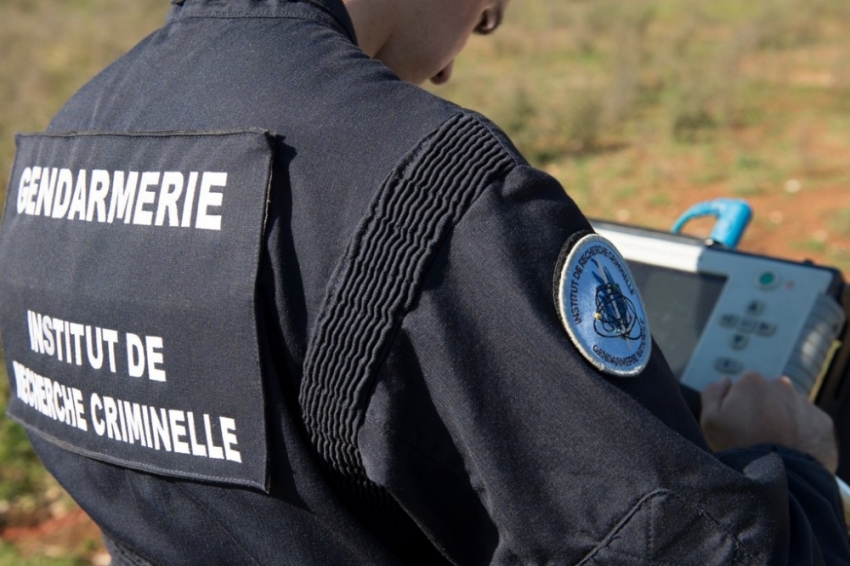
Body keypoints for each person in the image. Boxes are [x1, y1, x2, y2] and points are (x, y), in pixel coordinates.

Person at [0, 0, 848, 563]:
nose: (449, 68)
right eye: (489, 12)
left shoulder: (67, 144)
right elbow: (675, 545)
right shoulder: (432, 190)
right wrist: (797, 470)